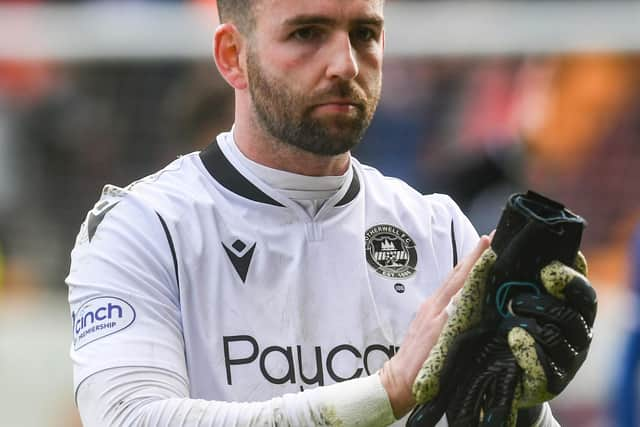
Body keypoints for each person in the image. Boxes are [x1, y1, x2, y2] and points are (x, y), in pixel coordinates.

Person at [66, 1, 589, 425]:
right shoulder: (143, 226)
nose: (345, 64)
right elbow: (129, 417)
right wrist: (387, 391)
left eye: (364, 33)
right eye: (307, 33)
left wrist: (521, 411)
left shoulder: (437, 229)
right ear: (231, 54)